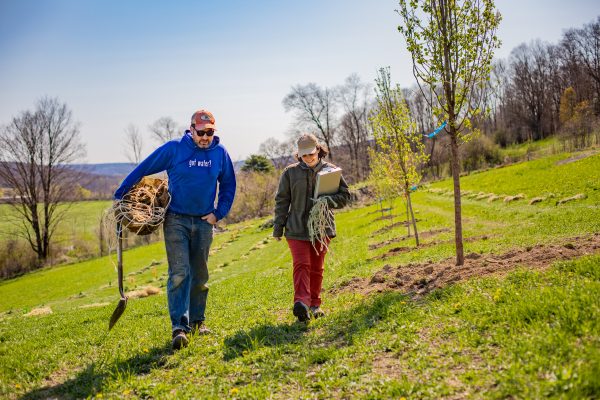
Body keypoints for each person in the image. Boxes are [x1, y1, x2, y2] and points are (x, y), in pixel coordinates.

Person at [114, 109, 236, 350]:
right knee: (180, 272)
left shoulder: (220, 153)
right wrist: (120, 193)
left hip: (203, 222)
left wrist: (218, 213)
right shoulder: (174, 148)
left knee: (200, 274)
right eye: (201, 132)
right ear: (191, 129)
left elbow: (229, 183)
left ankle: (198, 322)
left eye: (209, 132)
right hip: (176, 220)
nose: (204, 137)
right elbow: (144, 168)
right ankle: (179, 327)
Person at [273, 133, 351, 322]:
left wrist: (327, 200)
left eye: (311, 153)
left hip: (321, 227)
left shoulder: (331, 171)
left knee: (317, 267)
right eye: (304, 155)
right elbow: (282, 201)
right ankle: (301, 303)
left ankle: (315, 305)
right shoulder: (290, 173)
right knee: (301, 265)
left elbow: (345, 196)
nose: (308, 158)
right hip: (296, 228)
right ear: (299, 155)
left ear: (318, 149)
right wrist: (278, 228)